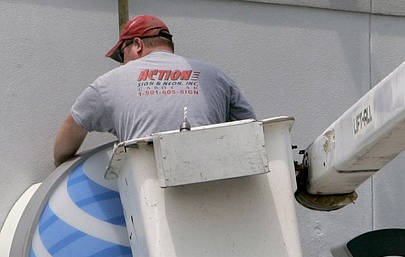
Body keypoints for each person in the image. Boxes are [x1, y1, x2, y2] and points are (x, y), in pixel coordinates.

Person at [53, 14, 257, 166]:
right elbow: (253, 132)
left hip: (147, 197)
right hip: (215, 188)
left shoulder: (107, 83)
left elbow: (67, 139)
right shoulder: (216, 76)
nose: (122, 63)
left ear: (138, 45)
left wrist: (61, 164)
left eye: (121, 55)